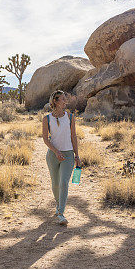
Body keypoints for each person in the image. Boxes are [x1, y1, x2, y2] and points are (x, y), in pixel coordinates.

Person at [41, 90, 80, 226]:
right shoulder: (47, 119)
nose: (65, 101)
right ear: (56, 101)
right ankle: (58, 206)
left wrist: (77, 155)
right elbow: (45, 139)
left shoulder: (70, 117)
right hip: (53, 155)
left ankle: (61, 213)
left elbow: (73, 137)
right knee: (55, 183)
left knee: (64, 183)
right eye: (63, 99)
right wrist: (56, 151)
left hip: (68, 154)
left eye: (65, 99)